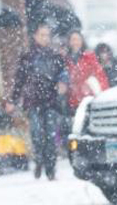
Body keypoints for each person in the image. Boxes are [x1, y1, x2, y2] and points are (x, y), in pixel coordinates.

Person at [10, 23, 67, 180]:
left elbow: (62, 73)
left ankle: (50, 168)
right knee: (36, 135)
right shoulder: (27, 56)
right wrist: (13, 100)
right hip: (33, 101)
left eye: (47, 35)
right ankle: (39, 160)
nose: (44, 38)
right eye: (42, 35)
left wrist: (62, 82)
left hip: (50, 100)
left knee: (50, 135)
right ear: (35, 36)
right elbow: (19, 80)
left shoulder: (55, 56)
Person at [64, 31, 109, 112]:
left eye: (78, 39)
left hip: (88, 100)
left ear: (82, 41)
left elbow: (100, 76)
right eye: (73, 39)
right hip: (72, 102)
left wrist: (104, 96)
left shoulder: (89, 57)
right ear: (69, 42)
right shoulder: (66, 59)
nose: (75, 42)